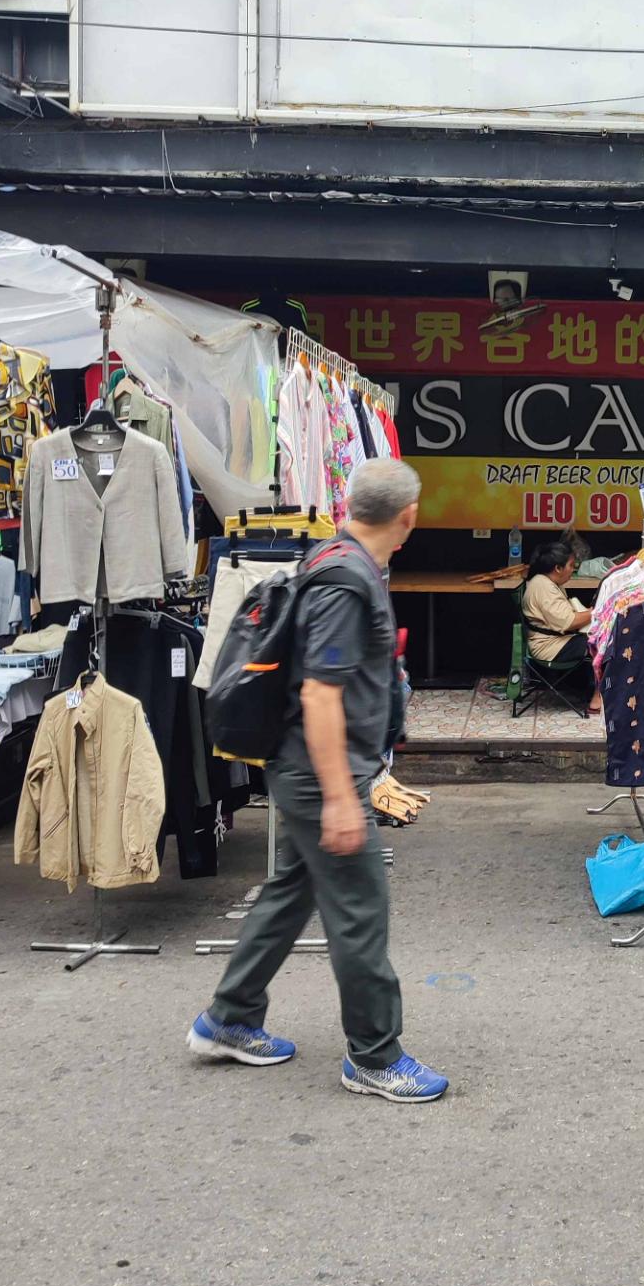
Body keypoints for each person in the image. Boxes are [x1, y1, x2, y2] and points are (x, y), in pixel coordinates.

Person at [186, 458, 448, 1103]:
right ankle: (375, 1057)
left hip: (308, 766)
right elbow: (321, 694)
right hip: (319, 772)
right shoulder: (345, 582)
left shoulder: (336, 558)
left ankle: (229, 1018)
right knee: (360, 912)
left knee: (291, 892)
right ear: (409, 517)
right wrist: (340, 798)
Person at [521, 539, 600, 712]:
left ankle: (596, 689)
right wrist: (599, 611)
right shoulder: (543, 586)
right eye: (571, 565)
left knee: (604, 636)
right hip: (550, 647)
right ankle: (597, 698)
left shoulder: (547, 582)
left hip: (557, 640)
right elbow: (568, 622)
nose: (573, 569)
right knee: (605, 642)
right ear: (558, 568)